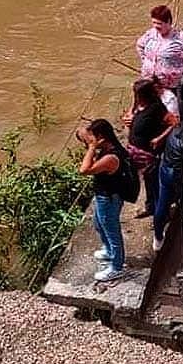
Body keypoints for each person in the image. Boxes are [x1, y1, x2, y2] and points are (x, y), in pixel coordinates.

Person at [78, 119, 129, 283]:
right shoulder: (108, 148)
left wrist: (92, 147)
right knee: (99, 224)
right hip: (104, 197)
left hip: (109, 199)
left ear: (101, 137)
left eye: (93, 137)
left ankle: (117, 267)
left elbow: (84, 170)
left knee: (111, 231)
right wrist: (90, 142)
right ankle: (109, 251)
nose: (90, 140)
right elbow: (81, 132)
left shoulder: (111, 157)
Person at [123, 77, 175, 218]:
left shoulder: (156, 108)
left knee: (154, 183)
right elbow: (130, 115)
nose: (136, 97)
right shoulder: (138, 106)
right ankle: (151, 207)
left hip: (149, 154)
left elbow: (174, 123)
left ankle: (160, 212)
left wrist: (159, 138)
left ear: (144, 95)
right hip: (135, 152)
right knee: (146, 182)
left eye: (137, 94)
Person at [135, 5, 183, 114]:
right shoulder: (150, 34)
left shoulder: (181, 38)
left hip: (172, 85)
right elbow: (139, 45)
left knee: (172, 111)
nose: (156, 26)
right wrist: (146, 62)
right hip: (150, 82)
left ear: (168, 22)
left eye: (159, 23)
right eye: (154, 22)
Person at [152, 87, 183, 252]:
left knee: (162, 204)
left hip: (165, 168)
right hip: (177, 173)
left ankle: (158, 237)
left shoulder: (174, 132)